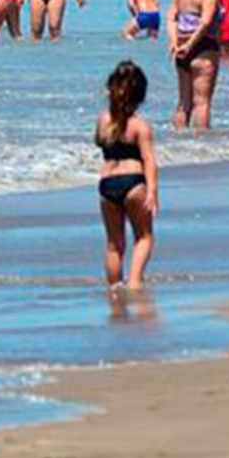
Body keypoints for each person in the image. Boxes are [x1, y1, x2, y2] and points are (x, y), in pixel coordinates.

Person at [95, 61, 158, 290]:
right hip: (133, 181)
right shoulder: (140, 126)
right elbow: (149, 160)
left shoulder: (103, 121)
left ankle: (114, 286)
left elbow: (99, 142)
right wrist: (152, 191)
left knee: (113, 244)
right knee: (144, 237)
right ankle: (134, 282)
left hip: (107, 182)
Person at [167, 0, 221, 129]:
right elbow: (205, 23)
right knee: (202, 102)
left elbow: (171, 18)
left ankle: (180, 144)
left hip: (181, 47)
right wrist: (190, 45)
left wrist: (175, 43)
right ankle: (202, 146)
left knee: (183, 103)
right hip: (203, 47)